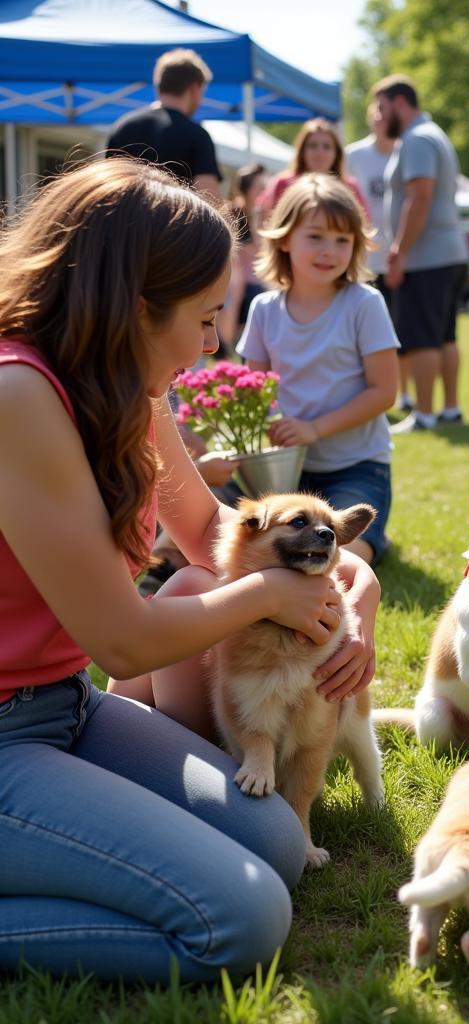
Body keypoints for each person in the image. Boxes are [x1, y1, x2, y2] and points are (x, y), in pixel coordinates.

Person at [0, 159, 383, 982]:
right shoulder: (19, 396)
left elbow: (213, 531)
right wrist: (274, 592)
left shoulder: (130, 387)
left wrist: (347, 582)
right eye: (208, 318)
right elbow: (125, 639)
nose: (212, 345)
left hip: (64, 708)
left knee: (278, 839)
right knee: (239, 918)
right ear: (138, 307)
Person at [238, 174, 400, 566]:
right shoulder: (264, 309)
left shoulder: (365, 304)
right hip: (286, 474)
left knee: (341, 561)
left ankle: (373, 539)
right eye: (316, 237)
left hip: (357, 467)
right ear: (283, 239)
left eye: (343, 240)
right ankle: (167, 572)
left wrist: (314, 429)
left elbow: (384, 392)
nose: (330, 250)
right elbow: (251, 394)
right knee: (236, 536)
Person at [374, 75, 469, 434]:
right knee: (445, 335)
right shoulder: (433, 134)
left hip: (428, 257)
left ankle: (425, 414)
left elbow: (420, 196)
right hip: (448, 253)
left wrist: (399, 250)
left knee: (423, 337)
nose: (379, 117)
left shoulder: (416, 139)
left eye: (382, 108)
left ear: (400, 103)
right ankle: (450, 408)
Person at [105, 48, 221, 202]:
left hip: (121, 223)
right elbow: (210, 200)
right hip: (175, 224)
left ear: (159, 85)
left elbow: (106, 187)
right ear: (195, 89)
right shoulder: (198, 136)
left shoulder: (123, 127)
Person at [256, 117, 367, 224]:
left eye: (327, 146)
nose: (319, 153)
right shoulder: (283, 183)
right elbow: (262, 215)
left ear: (336, 153)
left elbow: (364, 224)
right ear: (302, 150)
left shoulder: (349, 188)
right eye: (313, 146)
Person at [346, 101, 397, 315]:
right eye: (376, 115)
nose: (380, 121)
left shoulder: (405, 151)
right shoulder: (353, 155)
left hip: (399, 257)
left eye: (385, 116)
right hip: (365, 258)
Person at [218, 161, 268, 349]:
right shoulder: (232, 213)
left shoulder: (261, 215)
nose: (264, 194)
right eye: (259, 189)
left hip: (256, 280)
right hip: (237, 281)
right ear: (246, 190)